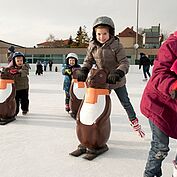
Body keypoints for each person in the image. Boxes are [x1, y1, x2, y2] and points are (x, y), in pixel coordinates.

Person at [75, 16, 145, 138]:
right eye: (99, 34)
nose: (101, 37)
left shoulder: (116, 46)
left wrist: (118, 73)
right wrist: (84, 69)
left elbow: (124, 63)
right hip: (101, 81)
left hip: (117, 81)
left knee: (125, 102)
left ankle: (134, 122)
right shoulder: (92, 46)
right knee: (97, 103)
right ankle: (95, 127)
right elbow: (88, 61)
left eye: (105, 34)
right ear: (94, 34)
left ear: (110, 33)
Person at [140, 31, 177, 177]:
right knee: (160, 147)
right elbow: (159, 74)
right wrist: (174, 86)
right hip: (158, 103)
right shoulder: (172, 44)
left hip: (174, 106)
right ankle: (151, 174)